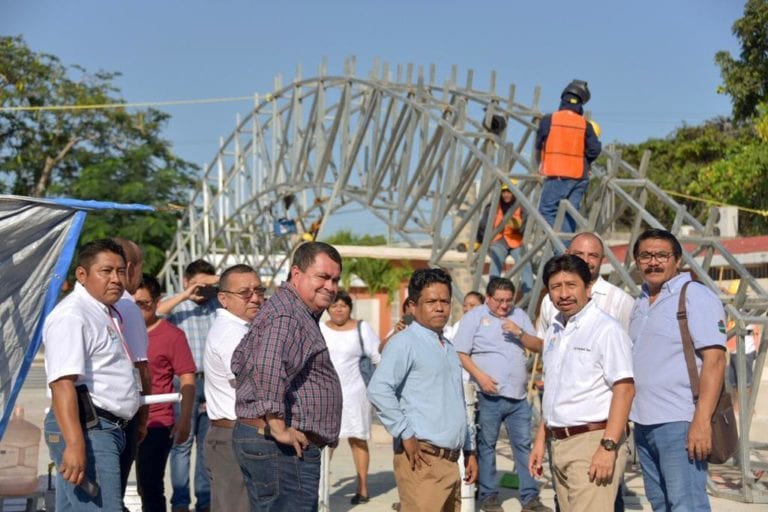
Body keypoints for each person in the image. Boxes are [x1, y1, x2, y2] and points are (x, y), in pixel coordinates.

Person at [231, 241, 344, 511]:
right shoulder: (288, 315)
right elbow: (266, 363)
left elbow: (240, 360)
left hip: (272, 445)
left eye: (335, 279)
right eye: (323, 277)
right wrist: (278, 426)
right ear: (297, 274)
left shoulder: (288, 311)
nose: (330, 286)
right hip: (279, 450)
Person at [535, 231, 634, 512]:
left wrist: (608, 446)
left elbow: (624, 389)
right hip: (560, 443)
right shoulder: (555, 329)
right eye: (556, 287)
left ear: (588, 288)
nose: (563, 294)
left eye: (571, 285)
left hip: (592, 442)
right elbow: (553, 389)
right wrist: (540, 441)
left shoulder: (606, 329)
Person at [629, 228, 727, 511]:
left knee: (687, 505)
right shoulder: (640, 302)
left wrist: (701, 421)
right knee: (660, 504)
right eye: (646, 255)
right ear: (636, 261)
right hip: (644, 423)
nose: (653, 262)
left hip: (681, 421)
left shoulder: (694, 295)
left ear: (677, 260)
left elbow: (715, 360)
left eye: (662, 255)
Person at [368, 268, 478, 511]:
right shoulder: (404, 342)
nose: (439, 308)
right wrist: (405, 433)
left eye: (445, 301)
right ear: (413, 306)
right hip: (422, 458)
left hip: (451, 461)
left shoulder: (448, 347)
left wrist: (469, 449)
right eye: (431, 302)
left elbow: (457, 401)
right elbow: (378, 389)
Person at [43, 239, 141, 511]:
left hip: (108, 427)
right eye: (106, 271)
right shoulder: (73, 315)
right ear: (82, 275)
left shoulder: (104, 310)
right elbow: (62, 384)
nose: (116, 279)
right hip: (88, 429)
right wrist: (75, 445)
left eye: (121, 271)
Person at [453, 277, 549, 512]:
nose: (504, 306)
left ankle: (529, 498)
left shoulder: (519, 315)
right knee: (487, 446)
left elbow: (539, 346)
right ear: (488, 298)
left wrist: (519, 333)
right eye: (499, 301)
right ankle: (489, 496)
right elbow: (460, 353)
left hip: (517, 398)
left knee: (523, 446)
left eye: (508, 301)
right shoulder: (474, 318)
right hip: (489, 397)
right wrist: (481, 377)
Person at [158, 260, 219, 512]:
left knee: (207, 445)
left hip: (213, 382)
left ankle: (204, 502)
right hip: (184, 382)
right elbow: (156, 313)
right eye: (197, 284)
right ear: (186, 281)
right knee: (181, 444)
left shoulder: (218, 304)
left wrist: (214, 286)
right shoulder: (176, 302)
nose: (201, 291)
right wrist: (187, 293)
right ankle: (180, 502)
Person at [203, 264, 265, 512]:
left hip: (239, 433)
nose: (255, 298)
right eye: (245, 293)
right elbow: (253, 382)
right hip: (233, 435)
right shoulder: (231, 332)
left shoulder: (243, 329)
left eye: (258, 290)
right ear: (223, 298)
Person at [133, 274, 196, 512]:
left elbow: (188, 376)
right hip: (123, 420)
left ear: (157, 302)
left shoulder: (172, 336)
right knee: (118, 486)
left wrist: (184, 420)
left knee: (150, 486)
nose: (138, 310)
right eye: (132, 304)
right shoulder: (119, 331)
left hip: (157, 422)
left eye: (144, 304)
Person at [319, 289, 382, 504]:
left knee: (358, 439)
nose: (338, 309)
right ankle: (320, 489)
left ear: (349, 308)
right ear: (327, 308)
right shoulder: (319, 328)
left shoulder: (362, 329)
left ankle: (362, 488)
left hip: (356, 394)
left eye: (343, 305)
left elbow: (377, 357)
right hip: (326, 395)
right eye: (334, 305)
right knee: (327, 442)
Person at [112, 238, 152, 512]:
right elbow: (140, 366)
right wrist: (143, 416)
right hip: (119, 415)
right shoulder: (127, 307)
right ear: (130, 267)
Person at [535, 80, 601, 236]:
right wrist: (586, 163)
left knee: (546, 211)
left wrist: (540, 163)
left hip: (557, 175)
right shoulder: (585, 124)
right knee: (570, 213)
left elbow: (539, 144)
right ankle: (567, 251)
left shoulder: (549, 120)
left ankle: (563, 252)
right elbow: (595, 149)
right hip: (580, 176)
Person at [537, 232, 634, 334]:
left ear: (602, 259)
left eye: (593, 255)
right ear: (567, 254)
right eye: (579, 254)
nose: (585, 260)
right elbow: (543, 344)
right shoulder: (550, 300)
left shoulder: (622, 302)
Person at [477, 184, 533, 293]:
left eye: (509, 192)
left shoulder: (521, 206)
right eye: (504, 192)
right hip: (498, 240)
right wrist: (481, 242)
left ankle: (527, 296)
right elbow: (483, 225)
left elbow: (526, 226)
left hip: (515, 240)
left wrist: (518, 228)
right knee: (496, 264)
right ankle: (494, 294)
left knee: (526, 265)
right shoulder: (492, 206)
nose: (506, 194)